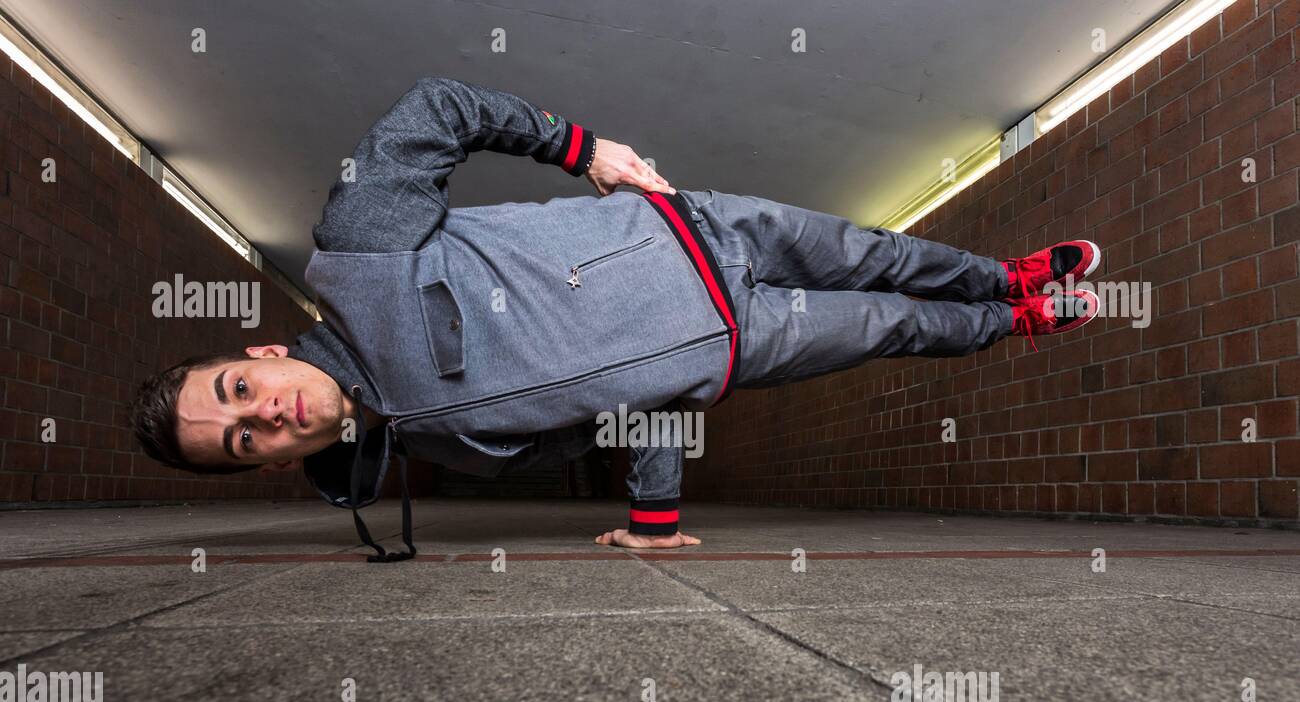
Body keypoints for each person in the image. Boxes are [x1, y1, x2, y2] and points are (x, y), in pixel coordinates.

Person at [130, 76, 1103, 561]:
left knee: (880, 251)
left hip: (706, 229)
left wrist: (580, 148)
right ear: (262, 465)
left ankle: (999, 276)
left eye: (239, 390)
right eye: (243, 440)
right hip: (737, 346)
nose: (267, 414)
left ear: (256, 351)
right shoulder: (446, 445)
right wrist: (651, 516)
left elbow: (437, 108)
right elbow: (618, 417)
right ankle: (1012, 321)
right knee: (889, 324)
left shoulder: (355, 252)